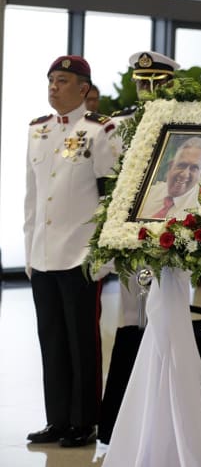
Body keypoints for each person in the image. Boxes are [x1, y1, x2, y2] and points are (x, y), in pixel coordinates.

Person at [24, 55, 119, 447]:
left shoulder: (100, 130)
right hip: (43, 255)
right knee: (51, 340)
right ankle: (58, 420)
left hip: (80, 255)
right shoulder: (38, 130)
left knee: (82, 342)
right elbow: (32, 197)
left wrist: (102, 255)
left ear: (83, 89)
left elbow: (110, 197)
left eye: (62, 81)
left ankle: (85, 421)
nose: (53, 86)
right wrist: (29, 252)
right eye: (51, 80)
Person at [97, 50, 181, 445]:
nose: (147, 89)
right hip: (132, 236)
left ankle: (167, 409)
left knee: (168, 316)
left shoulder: (187, 124)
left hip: (173, 235)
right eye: (142, 82)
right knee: (131, 319)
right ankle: (121, 415)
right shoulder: (120, 125)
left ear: (171, 84)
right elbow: (109, 186)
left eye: (156, 82)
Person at [139, 135, 201, 219]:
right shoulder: (149, 193)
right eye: (182, 165)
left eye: (194, 168)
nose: (184, 174)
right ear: (171, 165)